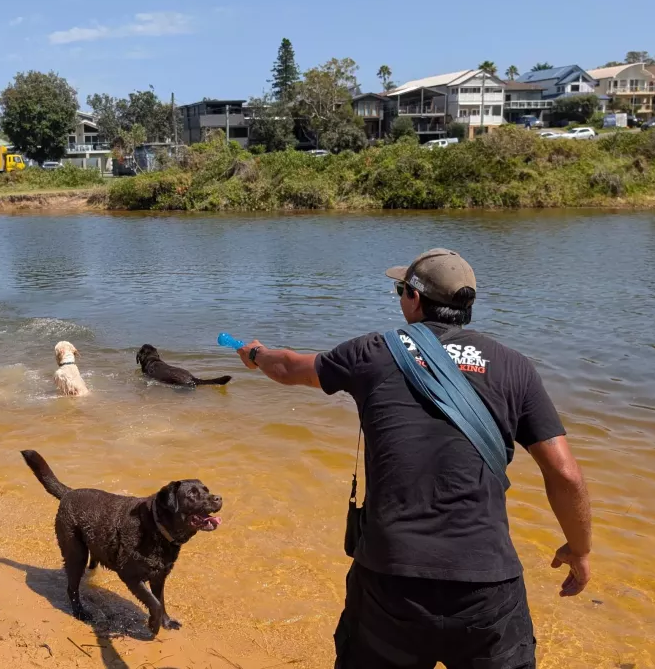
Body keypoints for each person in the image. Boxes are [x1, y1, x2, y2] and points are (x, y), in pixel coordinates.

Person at [236, 248, 591, 669]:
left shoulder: (372, 352)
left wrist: (256, 354)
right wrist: (580, 550)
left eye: (400, 289)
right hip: (487, 586)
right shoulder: (515, 367)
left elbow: (289, 368)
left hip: (390, 584)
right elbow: (565, 475)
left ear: (414, 298)